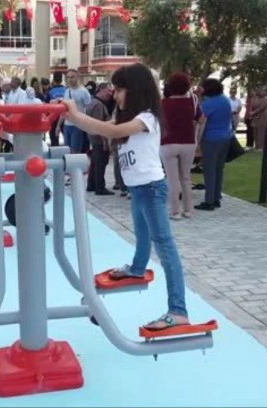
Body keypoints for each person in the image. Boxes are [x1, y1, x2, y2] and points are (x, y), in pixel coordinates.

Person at [60, 63, 191, 331]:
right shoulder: (126, 118)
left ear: (136, 90)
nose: (115, 94)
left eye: (119, 90)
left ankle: (178, 310)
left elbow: (112, 132)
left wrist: (74, 114)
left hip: (152, 188)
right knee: (141, 235)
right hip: (138, 189)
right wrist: (73, 116)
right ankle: (137, 268)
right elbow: (100, 128)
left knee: (164, 246)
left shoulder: (147, 118)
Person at [161, 72, 204, 219]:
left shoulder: (162, 103)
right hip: (188, 142)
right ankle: (188, 210)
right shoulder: (193, 101)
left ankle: (175, 211)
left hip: (168, 143)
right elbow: (201, 120)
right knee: (186, 177)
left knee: (172, 179)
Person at [195, 78, 232, 211]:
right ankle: (216, 197)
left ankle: (209, 201)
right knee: (218, 169)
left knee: (209, 170)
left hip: (211, 138)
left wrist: (197, 140)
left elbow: (200, 121)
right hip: (225, 137)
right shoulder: (225, 100)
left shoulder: (208, 104)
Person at [85, 83, 114, 196]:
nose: (110, 94)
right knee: (100, 163)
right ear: (101, 89)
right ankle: (100, 187)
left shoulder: (93, 103)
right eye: (108, 91)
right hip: (98, 139)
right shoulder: (98, 105)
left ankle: (92, 184)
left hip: (94, 138)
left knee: (95, 162)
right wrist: (105, 142)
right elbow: (99, 125)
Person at [249, 87, 267, 151]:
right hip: (256, 117)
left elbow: (261, 108)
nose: (261, 92)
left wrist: (253, 112)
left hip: (263, 117)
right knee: (255, 132)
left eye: (262, 91)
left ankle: (261, 146)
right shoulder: (255, 98)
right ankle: (257, 146)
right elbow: (253, 105)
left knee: (261, 132)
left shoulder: (265, 99)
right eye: (259, 91)